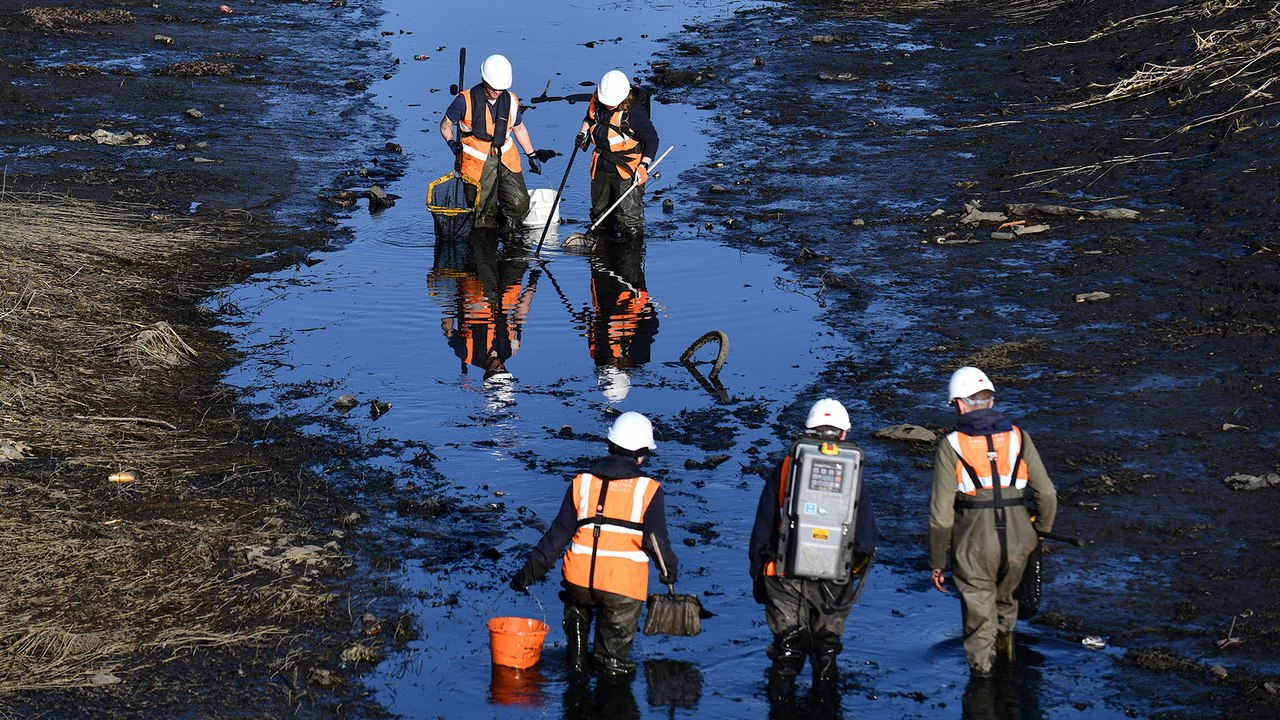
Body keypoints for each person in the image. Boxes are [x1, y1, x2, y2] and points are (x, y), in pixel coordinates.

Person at [510, 412, 679, 680]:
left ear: (610, 445)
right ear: (643, 454)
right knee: (613, 668)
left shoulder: (582, 482)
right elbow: (656, 542)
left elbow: (555, 538)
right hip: (621, 587)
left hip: (578, 581)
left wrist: (527, 575)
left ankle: (576, 686)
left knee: (575, 664)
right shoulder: (648, 489)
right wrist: (669, 572)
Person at [929, 367, 1058, 679]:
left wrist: (936, 561)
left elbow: (941, 514)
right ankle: (1008, 671)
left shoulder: (952, 446)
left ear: (959, 405)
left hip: (973, 545)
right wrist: (1040, 531)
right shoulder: (1019, 437)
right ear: (990, 400)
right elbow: (1048, 494)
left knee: (978, 621)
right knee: (1006, 605)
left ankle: (983, 686)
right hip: (1019, 542)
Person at [749, 398, 878, 708]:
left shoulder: (783, 469)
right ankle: (827, 703)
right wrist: (853, 569)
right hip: (834, 580)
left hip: (783, 577)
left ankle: (780, 705)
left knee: (788, 649)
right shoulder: (853, 472)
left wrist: (758, 575)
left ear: (806, 432)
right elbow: (866, 540)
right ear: (844, 435)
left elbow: (762, 530)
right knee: (826, 648)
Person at [439, 53, 554, 232]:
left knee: (520, 204)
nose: (497, 92)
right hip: (476, 163)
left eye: (501, 88)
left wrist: (531, 154)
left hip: (506, 158)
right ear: (484, 79)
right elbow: (445, 124)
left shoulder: (512, 101)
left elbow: (519, 128)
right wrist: (451, 143)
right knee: (483, 214)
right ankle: (485, 248)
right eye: (494, 87)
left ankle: (504, 222)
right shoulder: (464, 101)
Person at [576, 70, 659, 240]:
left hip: (627, 170)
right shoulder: (598, 101)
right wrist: (583, 132)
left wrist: (644, 166)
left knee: (628, 218)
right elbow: (589, 118)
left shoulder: (635, 115)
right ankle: (602, 254)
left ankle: (630, 254)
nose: (608, 105)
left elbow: (652, 141)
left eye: (611, 102)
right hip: (601, 165)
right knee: (600, 214)